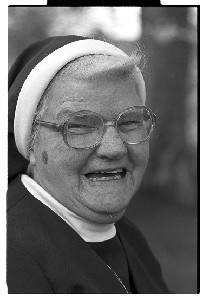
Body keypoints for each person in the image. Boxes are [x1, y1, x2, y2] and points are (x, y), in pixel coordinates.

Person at [7, 35, 171, 294]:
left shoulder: (131, 237)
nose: (114, 148)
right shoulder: (9, 257)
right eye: (80, 126)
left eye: (129, 122)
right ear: (31, 145)